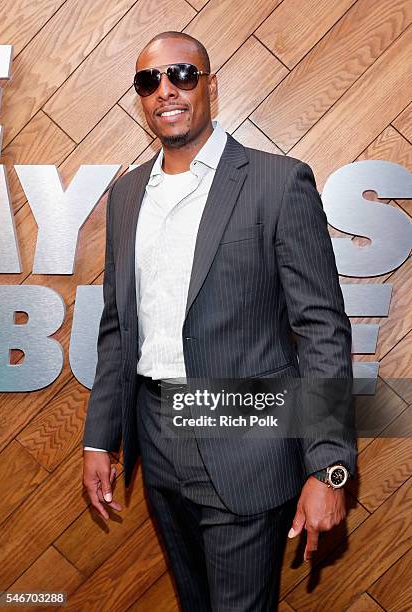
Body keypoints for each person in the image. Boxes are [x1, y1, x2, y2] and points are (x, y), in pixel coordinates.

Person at [82, 31, 357, 611]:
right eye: (149, 81)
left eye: (182, 74)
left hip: (247, 441)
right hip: (156, 436)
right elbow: (117, 327)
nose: (166, 91)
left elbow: (323, 331)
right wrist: (100, 438)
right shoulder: (127, 196)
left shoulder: (278, 182)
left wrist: (328, 465)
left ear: (211, 85)